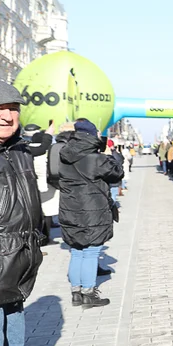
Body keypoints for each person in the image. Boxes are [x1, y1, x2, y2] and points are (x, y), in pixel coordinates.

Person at [0, 81, 46, 346]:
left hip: (19, 265)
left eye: (13, 107)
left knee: (14, 341)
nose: (7, 115)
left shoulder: (20, 152)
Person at [52, 118, 123, 309]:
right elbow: (117, 173)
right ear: (91, 136)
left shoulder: (64, 155)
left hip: (70, 209)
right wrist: (109, 154)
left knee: (76, 250)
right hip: (93, 211)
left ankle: (76, 293)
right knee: (91, 252)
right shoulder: (96, 159)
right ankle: (89, 293)